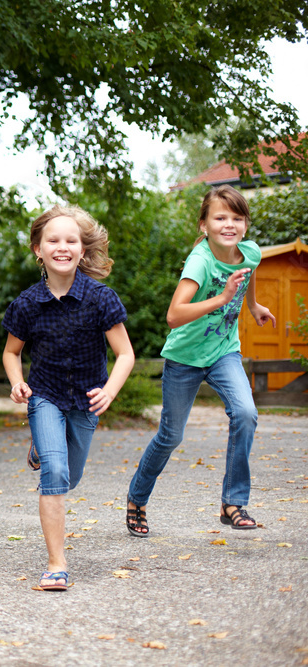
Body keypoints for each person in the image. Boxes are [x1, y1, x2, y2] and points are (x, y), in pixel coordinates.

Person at [126, 185, 276, 537]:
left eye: (237, 218)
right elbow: (174, 316)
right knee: (170, 436)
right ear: (203, 225)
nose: (229, 224)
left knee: (245, 413)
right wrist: (223, 297)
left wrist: (252, 305)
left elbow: (248, 274)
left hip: (224, 351)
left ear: (245, 224)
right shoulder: (201, 260)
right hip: (185, 357)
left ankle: (233, 502)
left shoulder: (249, 252)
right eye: (220, 217)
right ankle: (137, 499)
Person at [2, 205, 135, 591]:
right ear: (38, 250)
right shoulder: (27, 304)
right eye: (53, 240)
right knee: (55, 476)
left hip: (87, 400)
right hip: (44, 396)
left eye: (71, 240)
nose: (63, 247)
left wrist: (110, 390)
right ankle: (56, 564)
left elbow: (125, 354)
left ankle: (41, 450)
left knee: (69, 477)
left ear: (82, 249)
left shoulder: (100, 299)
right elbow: (12, 353)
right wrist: (17, 383)